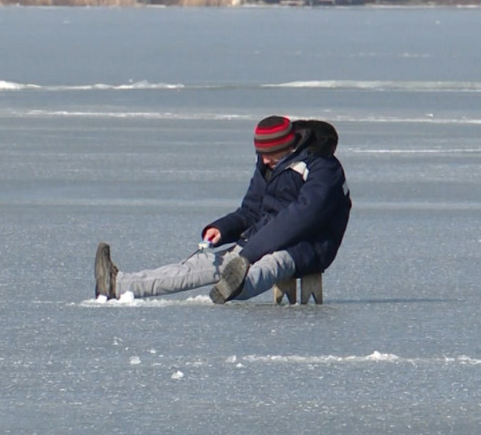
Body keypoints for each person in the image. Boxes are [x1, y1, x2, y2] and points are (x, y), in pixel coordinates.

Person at [93, 115, 351, 304]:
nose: (262, 160)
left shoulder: (323, 169)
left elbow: (299, 219)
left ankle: (238, 287)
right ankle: (119, 284)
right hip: (261, 239)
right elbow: (251, 210)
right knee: (205, 262)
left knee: (273, 262)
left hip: (309, 246)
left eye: (269, 153)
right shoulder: (269, 163)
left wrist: (248, 252)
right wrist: (222, 228)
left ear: (289, 146)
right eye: (260, 153)